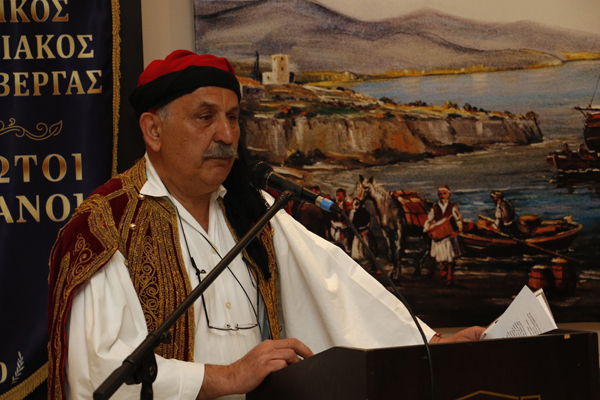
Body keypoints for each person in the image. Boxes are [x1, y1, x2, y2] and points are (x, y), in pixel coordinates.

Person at [47, 50, 484, 400]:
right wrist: (227, 377)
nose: (226, 134)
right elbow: (99, 372)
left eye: (233, 117)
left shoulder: (253, 209)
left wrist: (433, 349)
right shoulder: (107, 225)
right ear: (153, 130)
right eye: (205, 118)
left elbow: (336, 289)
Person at [423, 185, 463, 286]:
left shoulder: (452, 207)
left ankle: (449, 277)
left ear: (449, 195)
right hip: (438, 235)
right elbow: (428, 220)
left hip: (449, 235)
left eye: (444, 193)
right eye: (440, 194)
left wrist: (458, 231)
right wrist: (428, 229)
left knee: (450, 257)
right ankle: (443, 267)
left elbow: (458, 220)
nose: (442, 195)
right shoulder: (435, 207)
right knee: (439, 256)